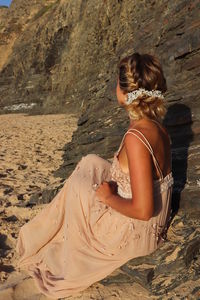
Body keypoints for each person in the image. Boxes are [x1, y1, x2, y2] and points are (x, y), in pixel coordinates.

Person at [16, 52, 174, 298]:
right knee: (90, 163)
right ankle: (52, 232)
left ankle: (55, 241)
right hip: (154, 225)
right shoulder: (157, 126)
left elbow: (143, 210)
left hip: (136, 233)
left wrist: (108, 197)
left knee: (80, 187)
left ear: (125, 91)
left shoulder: (137, 137)